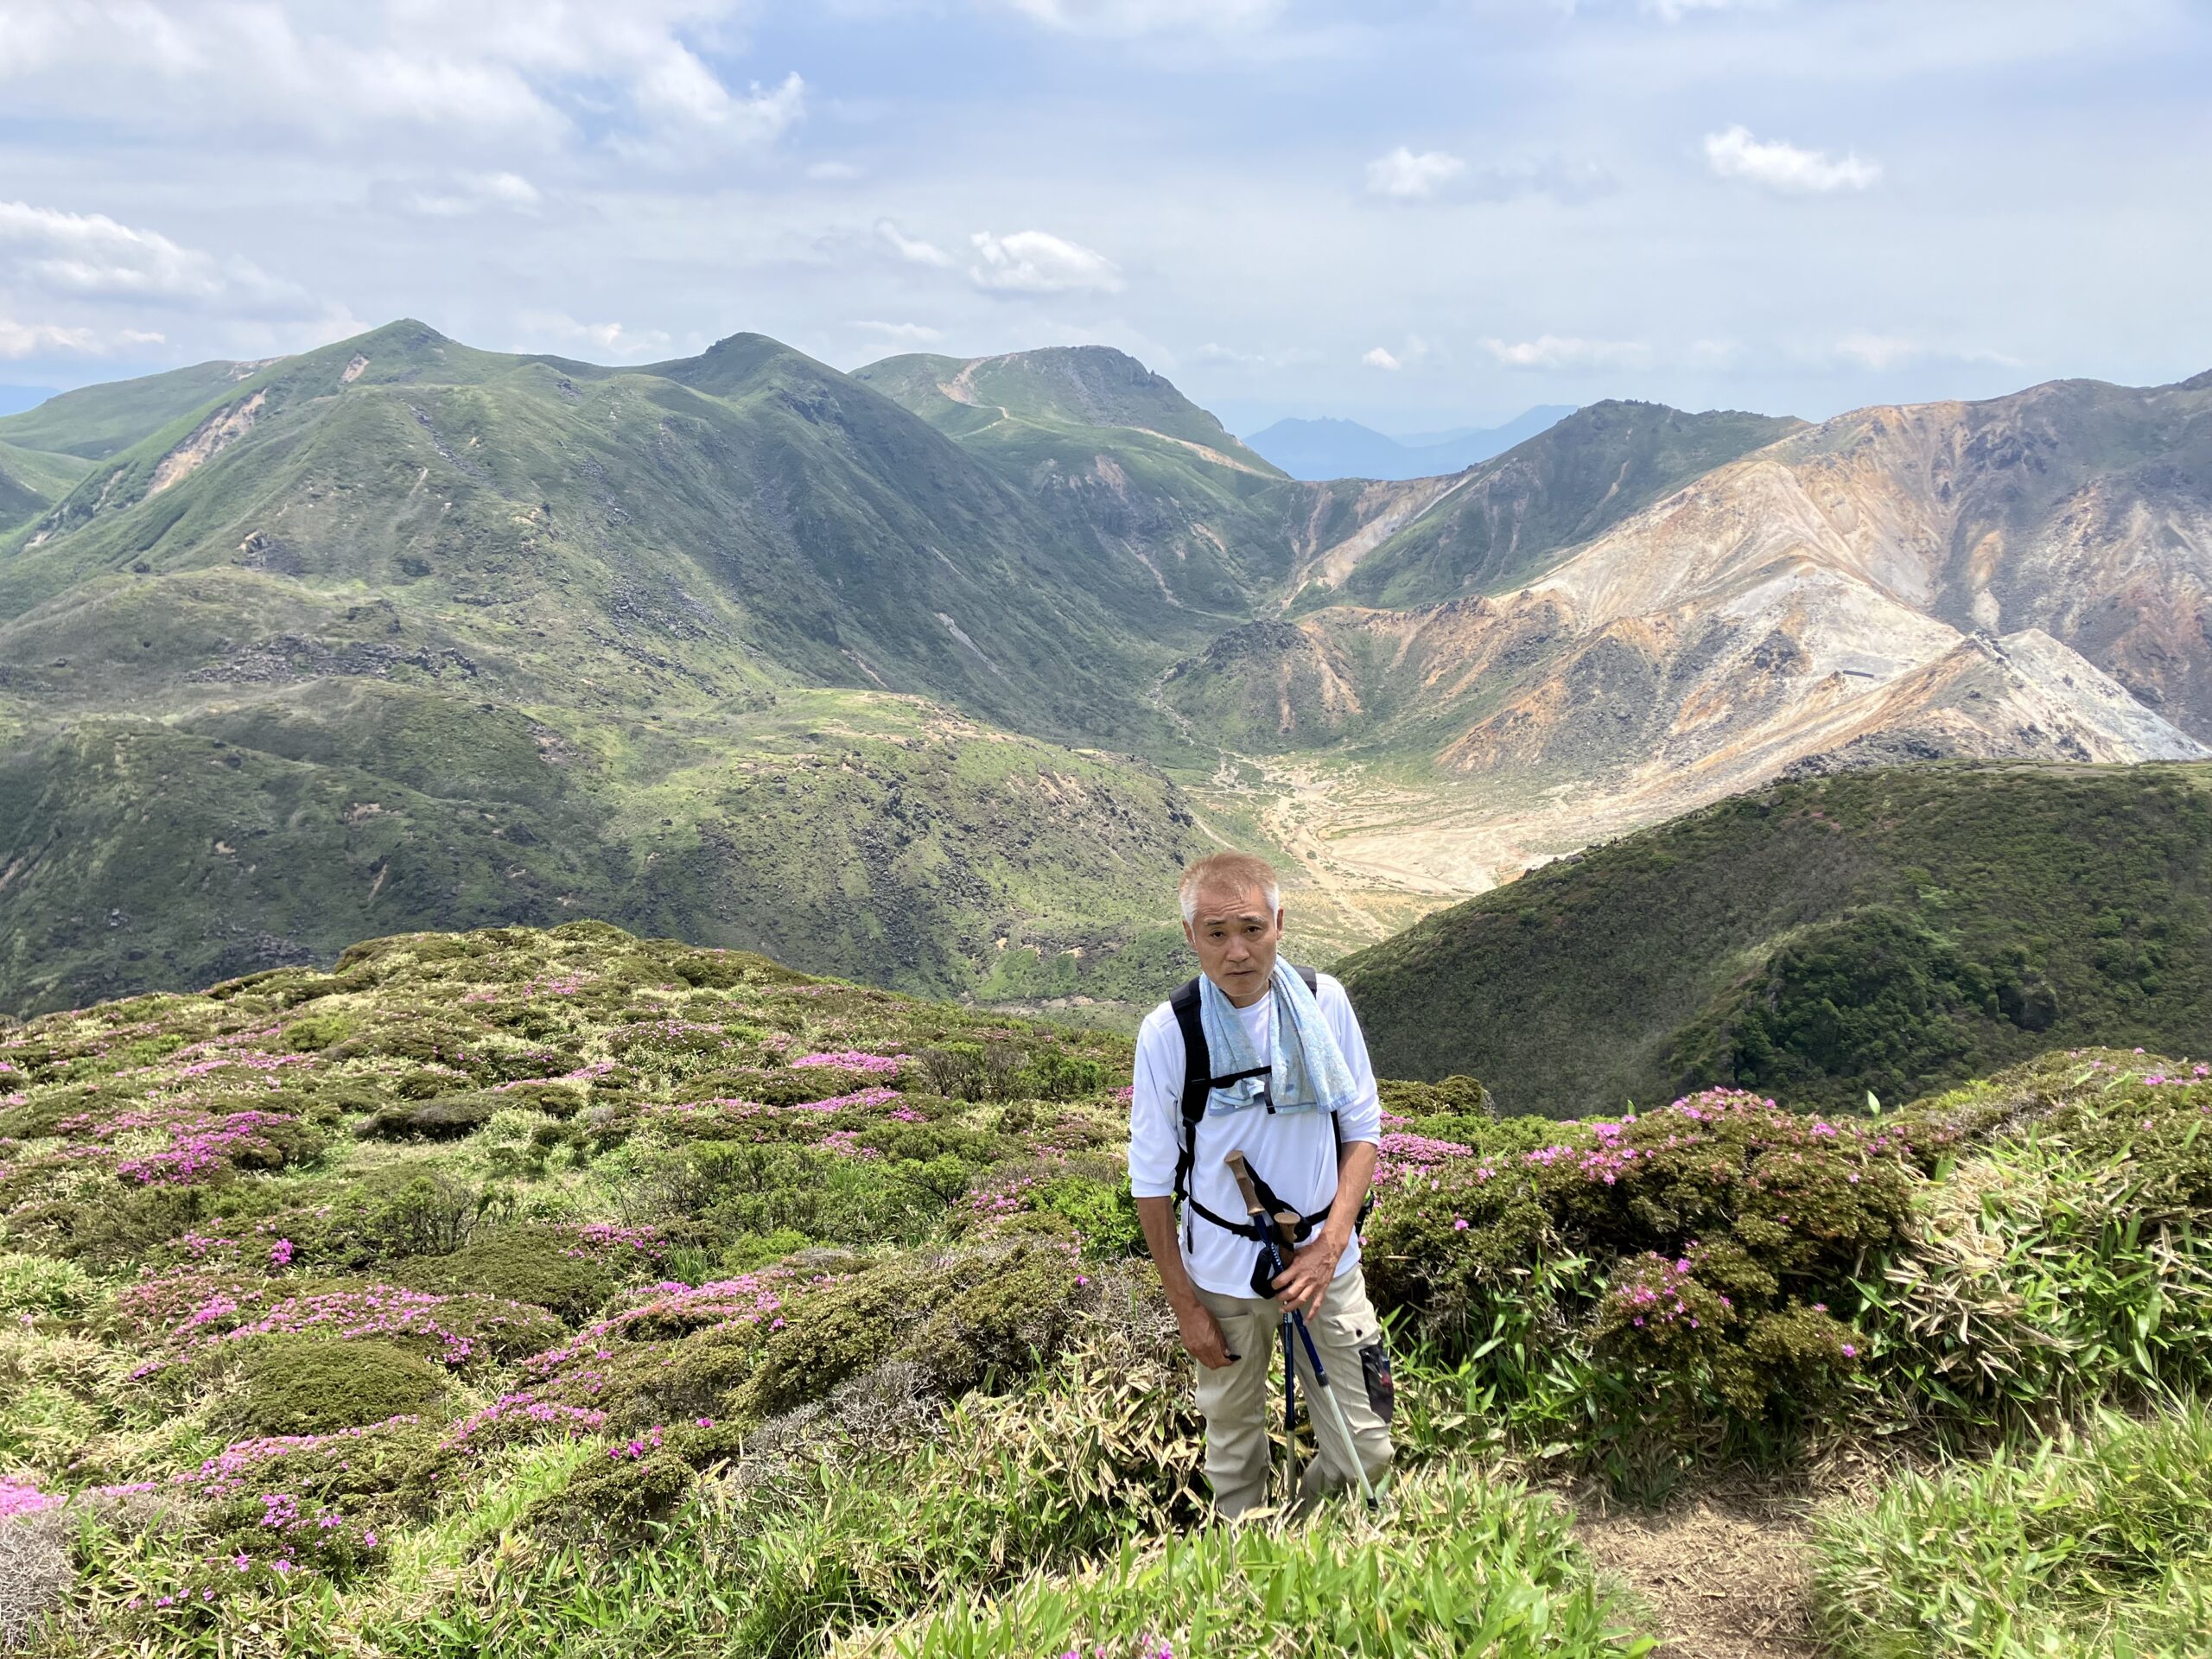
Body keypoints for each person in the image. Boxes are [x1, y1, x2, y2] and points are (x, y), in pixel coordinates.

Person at [1128, 850, 1393, 1518]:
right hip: (1223, 1276)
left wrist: (1330, 1248)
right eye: (1216, 933)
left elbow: (1363, 1128)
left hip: (1325, 1266)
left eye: (1252, 928)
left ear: (1279, 922)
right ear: (1190, 936)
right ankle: (1245, 1554)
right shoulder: (1169, 1033)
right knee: (1233, 1446)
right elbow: (1151, 1182)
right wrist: (1186, 1308)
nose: (1237, 951)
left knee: (1366, 1446)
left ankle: (1311, 1532)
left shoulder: (1324, 1002)